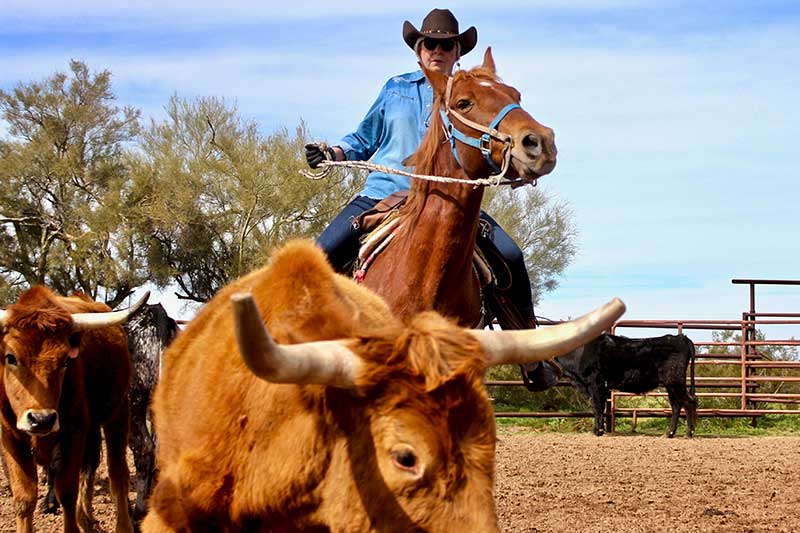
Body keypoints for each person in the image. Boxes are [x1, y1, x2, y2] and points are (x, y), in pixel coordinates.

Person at [305, 8, 538, 329]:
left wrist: (516, 164)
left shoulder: (473, 96)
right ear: (419, 50)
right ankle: (295, 341)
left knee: (511, 256)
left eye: (447, 46)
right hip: (383, 193)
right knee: (318, 256)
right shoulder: (395, 88)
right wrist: (334, 151)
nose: (437, 51)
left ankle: (529, 347)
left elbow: (493, 142)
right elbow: (363, 137)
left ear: (458, 52)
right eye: (430, 44)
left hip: (453, 201)